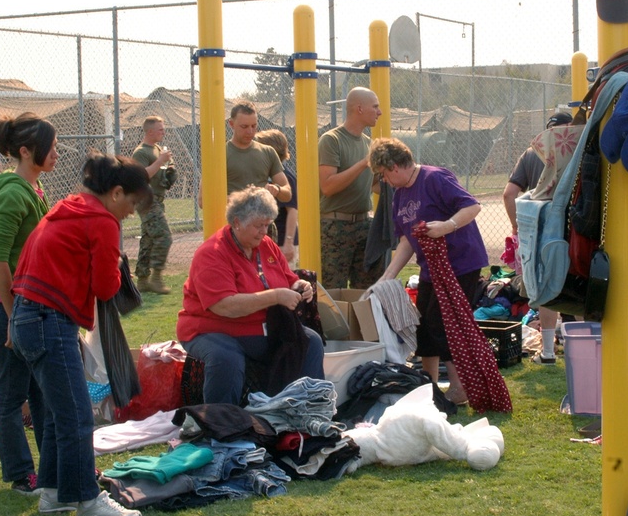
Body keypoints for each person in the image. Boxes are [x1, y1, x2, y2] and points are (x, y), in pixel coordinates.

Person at [10, 152, 148, 516]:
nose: (131, 213)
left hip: (27, 317)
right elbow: (105, 287)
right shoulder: (102, 220)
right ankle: (88, 500)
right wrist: (119, 268)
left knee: (59, 413)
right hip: (49, 318)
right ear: (116, 193)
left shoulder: (71, 206)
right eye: (132, 203)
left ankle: (55, 492)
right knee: (76, 415)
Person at [177, 186, 324, 405]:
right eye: (258, 226)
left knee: (311, 342)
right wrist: (275, 296)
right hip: (211, 328)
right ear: (236, 222)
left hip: (263, 328)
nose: (264, 231)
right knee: (226, 357)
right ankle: (222, 425)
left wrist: (299, 284)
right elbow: (225, 306)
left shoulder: (266, 245)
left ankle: (306, 410)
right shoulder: (212, 253)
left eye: (267, 225)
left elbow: (287, 276)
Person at [0, 112, 58, 495]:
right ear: (25, 152)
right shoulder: (12, 193)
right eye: (50, 148)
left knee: (41, 392)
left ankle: (51, 469)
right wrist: (12, 320)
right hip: (5, 307)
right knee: (12, 396)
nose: (56, 153)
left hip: (26, 306)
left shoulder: (35, 189)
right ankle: (21, 473)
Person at [371, 137, 485, 406]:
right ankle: (427, 386)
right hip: (431, 268)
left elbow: (472, 206)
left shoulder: (435, 178)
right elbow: (407, 241)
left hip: (461, 263)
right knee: (423, 325)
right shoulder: (399, 196)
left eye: (383, 174)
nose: (383, 180)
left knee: (443, 325)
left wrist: (447, 226)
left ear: (396, 166)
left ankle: (460, 389)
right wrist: (386, 277)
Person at [502, 110, 572, 364]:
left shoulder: (533, 153)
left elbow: (509, 193)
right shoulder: (578, 150)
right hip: (576, 225)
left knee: (546, 285)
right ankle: (587, 342)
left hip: (542, 229)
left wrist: (517, 227)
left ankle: (549, 351)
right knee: (580, 280)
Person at [318, 86, 384, 289]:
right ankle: (334, 323)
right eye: (375, 107)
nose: (379, 112)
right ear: (359, 109)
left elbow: (373, 185)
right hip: (335, 227)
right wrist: (363, 163)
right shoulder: (332, 140)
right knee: (333, 289)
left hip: (364, 225)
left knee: (366, 288)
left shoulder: (368, 142)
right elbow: (327, 186)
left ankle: (359, 322)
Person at [132, 116, 174, 294]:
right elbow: (141, 175)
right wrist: (160, 161)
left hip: (157, 198)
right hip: (146, 200)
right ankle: (156, 278)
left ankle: (142, 280)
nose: (163, 132)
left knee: (148, 239)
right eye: (160, 129)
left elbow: (158, 174)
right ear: (149, 132)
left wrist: (169, 173)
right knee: (164, 236)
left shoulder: (157, 149)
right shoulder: (141, 152)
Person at [255, 128, 298, 266]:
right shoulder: (265, 174)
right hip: (269, 240)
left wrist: (288, 243)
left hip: (282, 241)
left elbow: (292, 211)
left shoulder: (284, 177)